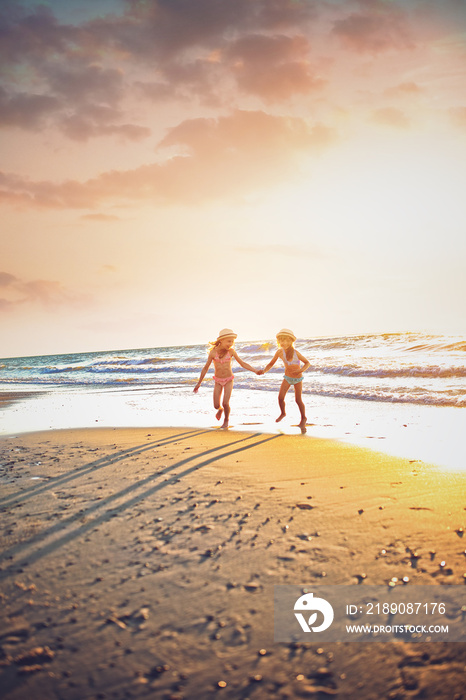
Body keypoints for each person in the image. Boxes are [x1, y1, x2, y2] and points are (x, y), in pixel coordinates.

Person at [193, 328, 259, 429]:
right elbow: (205, 368)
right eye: (229, 341)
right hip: (218, 381)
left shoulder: (231, 352)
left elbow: (242, 363)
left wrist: (255, 370)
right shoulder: (213, 353)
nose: (231, 343)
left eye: (232, 341)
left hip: (229, 380)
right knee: (216, 405)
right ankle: (220, 410)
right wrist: (199, 383)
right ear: (221, 340)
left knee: (225, 402)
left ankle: (226, 420)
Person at [258, 328, 310, 431]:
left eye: (286, 340)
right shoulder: (279, 352)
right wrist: (264, 371)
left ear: (291, 341)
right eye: (281, 340)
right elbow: (271, 364)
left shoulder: (296, 353)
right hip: (287, 378)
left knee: (298, 400)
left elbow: (307, 363)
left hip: (298, 379)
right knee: (280, 397)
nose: (283, 343)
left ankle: (303, 418)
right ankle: (283, 413)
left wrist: (300, 371)